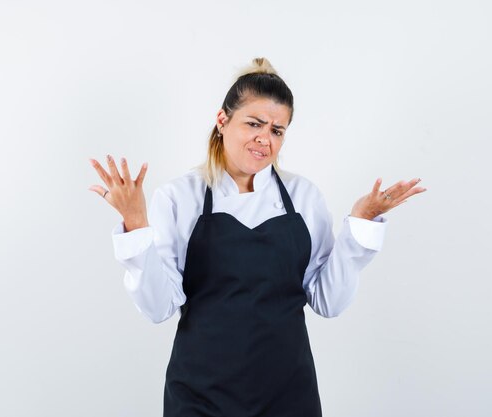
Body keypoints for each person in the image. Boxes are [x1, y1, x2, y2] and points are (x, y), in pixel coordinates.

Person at [88, 57, 427, 417]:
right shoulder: (179, 198)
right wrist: (136, 223)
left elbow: (329, 301)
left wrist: (361, 223)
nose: (264, 139)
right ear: (222, 120)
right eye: (254, 123)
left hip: (288, 395)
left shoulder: (303, 197)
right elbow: (158, 308)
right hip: (200, 396)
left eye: (277, 130)